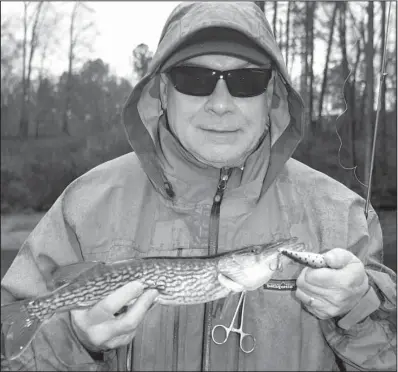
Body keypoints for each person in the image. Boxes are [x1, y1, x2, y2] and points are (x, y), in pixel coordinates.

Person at [1, 2, 396, 371]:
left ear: (272, 94)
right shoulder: (83, 205)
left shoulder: (344, 215)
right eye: (194, 78)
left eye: (246, 80)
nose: (220, 103)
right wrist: (75, 340)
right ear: (162, 92)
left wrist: (358, 308)